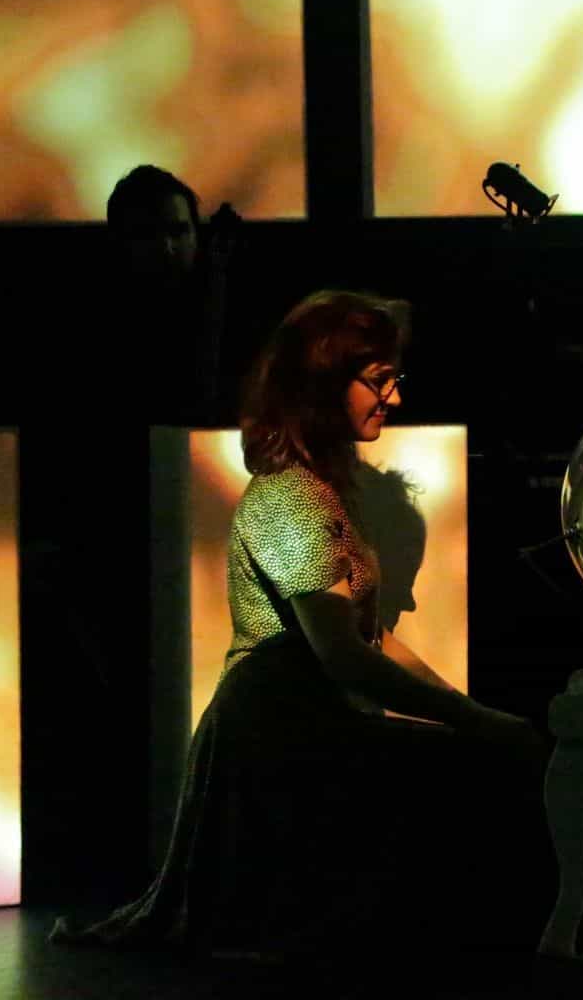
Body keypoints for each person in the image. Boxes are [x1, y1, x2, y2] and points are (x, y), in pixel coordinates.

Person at [52, 289, 550, 962]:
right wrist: (474, 720)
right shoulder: (294, 497)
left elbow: (368, 641)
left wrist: (469, 712)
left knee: (476, 761)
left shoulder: (322, 491)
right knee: (470, 773)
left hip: (306, 723)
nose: (395, 398)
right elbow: (344, 654)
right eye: (380, 380)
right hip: (278, 739)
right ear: (324, 379)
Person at [101, 164, 241, 426]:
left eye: (178, 232)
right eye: (147, 234)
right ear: (119, 242)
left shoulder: (233, 311)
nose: (167, 247)